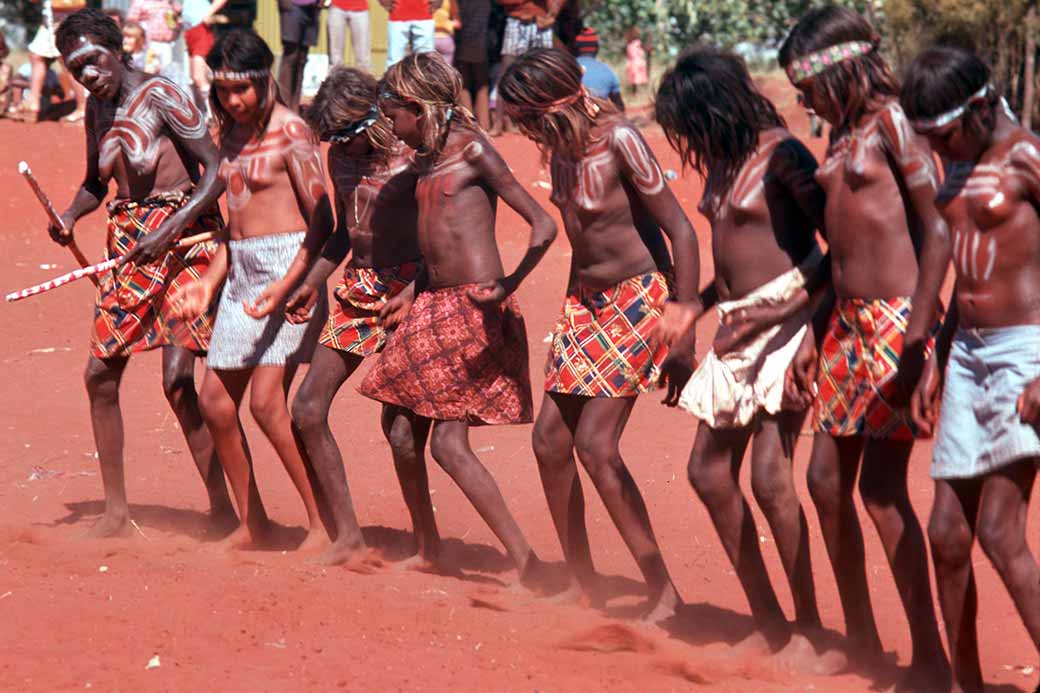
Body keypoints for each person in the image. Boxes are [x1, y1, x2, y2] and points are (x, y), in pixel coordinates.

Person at [779, 6, 952, 686]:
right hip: (847, 324)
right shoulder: (846, 130)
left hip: (895, 323)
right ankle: (862, 639)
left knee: (880, 490)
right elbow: (840, 249)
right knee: (824, 480)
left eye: (807, 86)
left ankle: (931, 657)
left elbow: (936, 231)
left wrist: (920, 339)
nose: (802, 102)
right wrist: (813, 333)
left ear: (842, 69)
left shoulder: (895, 123)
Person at [498, 48, 699, 621]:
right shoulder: (559, 150)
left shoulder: (621, 139)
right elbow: (584, 240)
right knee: (549, 443)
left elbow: (681, 232)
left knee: (596, 446)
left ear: (551, 104)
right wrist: (570, 311)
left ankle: (663, 591)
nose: (522, 129)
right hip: (583, 304)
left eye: (525, 117)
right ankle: (583, 581)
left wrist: (683, 328)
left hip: (639, 300)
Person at [655, 47, 836, 661]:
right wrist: (695, 307)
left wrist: (814, 329)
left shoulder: (783, 154)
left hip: (793, 316)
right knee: (707, 472)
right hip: (737, 327)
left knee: (769, 476)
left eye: (690, 124)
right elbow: (731, 261)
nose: (688, 139)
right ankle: (768, 619)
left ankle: (810, 628)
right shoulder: (725, 160)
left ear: (716, 107)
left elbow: (841, 248)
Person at [360, 52, 559, 590]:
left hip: (473, 308)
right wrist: (412, 290)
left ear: (417, 107)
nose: (389, 123)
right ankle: (430, 547)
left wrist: (512, 283)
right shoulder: (425, 162)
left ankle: (529, 566)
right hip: (432, 303)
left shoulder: (473, 151)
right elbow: (440, 245)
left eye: (392, 110)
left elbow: (543, 224)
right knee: (398, 427)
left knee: (448, 443)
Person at [49, 8, 235, 537]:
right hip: (131, 245)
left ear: (116, 47)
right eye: (74, 67)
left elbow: (218, 169)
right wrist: (68, 216)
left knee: (178, 382)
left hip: (185, 239)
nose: (86, 75)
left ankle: (224, 508)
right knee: (99, 376)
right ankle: (115, 512)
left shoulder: (163, 94)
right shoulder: (96, 109)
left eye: (91, 61)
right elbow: (95, 183)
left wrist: (173, 226)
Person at [250, 66, 440, 566]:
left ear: (376, 116)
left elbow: (444, 233)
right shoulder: (339, 159)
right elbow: (341, 234)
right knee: (307, 409)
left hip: (414, 287)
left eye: (349, 137)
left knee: (400, 428)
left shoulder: (412, 157)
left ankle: (428, 544)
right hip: (360, 285)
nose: (344, 148)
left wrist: (421, 288)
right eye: (335, 140)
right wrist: (310, 284)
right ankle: (347, 536)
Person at [903, 46, 1040, 693]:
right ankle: (965, 685)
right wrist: (936, 353)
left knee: (998, 530)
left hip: (1027, 350)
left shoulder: (1026, 156)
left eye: (947, 133)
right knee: (946, 533)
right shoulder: (959, 158)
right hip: (968, 353)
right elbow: (963, 266)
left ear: (982, 108)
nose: (940, 148)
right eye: (928, 138)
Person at [170, 29, 331, 550]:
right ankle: (251, 523)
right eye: (223, 91)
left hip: (291, 273)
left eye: (242, 89)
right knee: (216, 404)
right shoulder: (228, 138)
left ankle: (322, 527)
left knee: (266, 405)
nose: (233, 101)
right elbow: (231, 231)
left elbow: (323, 222)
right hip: (243, 274)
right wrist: (205, 284)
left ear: (265, 81)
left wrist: (288, 287)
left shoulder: (293, 133)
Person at [490, 0, 561, 136]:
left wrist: (553, 14)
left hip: (541, 24)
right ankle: (499, 122)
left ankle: (544, 123)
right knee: (506, 74)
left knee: (544, 74)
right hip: (516, 22)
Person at [23, 0, 88, 123]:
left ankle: (83, 108)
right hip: (49, 22)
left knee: (68, 62)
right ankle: (33, 104)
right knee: (36, 56)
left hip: (65, 21)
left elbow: (78, 3)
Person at [180, 0, 228, 116]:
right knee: (194, 78)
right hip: (190, 30)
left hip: (201, 28)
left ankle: (212, 114)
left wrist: (208, 13)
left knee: (198, 76)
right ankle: (202, 114)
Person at [453, 0, 491, 130]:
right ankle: (484, 127)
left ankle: (471, 126)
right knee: (482, 84)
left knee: (465, 84)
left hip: (462, 38)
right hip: (481, 40)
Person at [277, 0, 320, 112]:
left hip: (312, 8)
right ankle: (283, 105)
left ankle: (294, 106)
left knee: (302, 58)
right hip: (292, 6)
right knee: (291, 55)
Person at [571, 27, 622, 112]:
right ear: (597, 48)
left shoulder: (568, 68)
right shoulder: (607, 71)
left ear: (575, 48)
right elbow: (619, 106)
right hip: (600, 118)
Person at [126, 0, 182, 75]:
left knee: (166, 73)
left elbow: (179, 14)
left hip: (167, 44)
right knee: (149, 71)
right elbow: (131, 21)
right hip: (148, 44)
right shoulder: (140, 2)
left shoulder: (171, 2)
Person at [381, 0, 436, 68]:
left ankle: (426, 78)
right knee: (394, 60)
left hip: (425, 12)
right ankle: (392, 78)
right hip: (397, 12)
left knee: (426, 59)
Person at [326, 0, 371, 72]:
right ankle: (334, 81)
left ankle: (365, 81)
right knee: (335, 57)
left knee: (363, 55)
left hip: (360, 8)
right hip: (336, 7)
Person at [624, 27, 647, 99]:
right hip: (635, 63)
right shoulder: (635, 43)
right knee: (635, 80)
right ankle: (635, 93)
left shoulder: (632, 43)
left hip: (635, 63)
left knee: (636, 80)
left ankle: (636, 93)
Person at [433, 0, 458, 66]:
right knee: (446, 71)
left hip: (428, 39)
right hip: (445, 38)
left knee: (427, 71)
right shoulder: (450, 1)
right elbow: (457, 22)